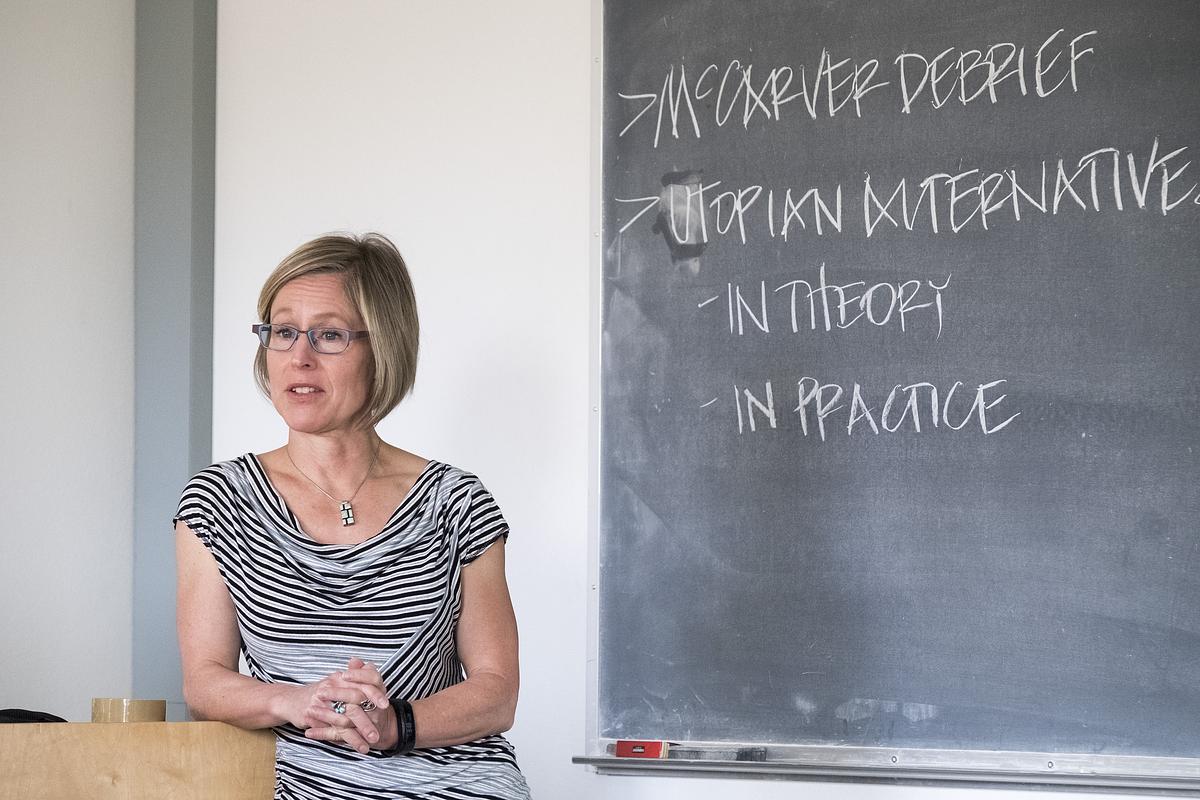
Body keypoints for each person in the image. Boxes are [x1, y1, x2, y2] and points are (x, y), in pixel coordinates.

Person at [174, 232, 531, 799]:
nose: (299, 356)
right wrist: (295, 699)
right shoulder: (217, 502)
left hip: (459, 785)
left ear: (382, 348)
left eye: (330, 335)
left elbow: (496, 692)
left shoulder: (456, 501)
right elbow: (204, 682)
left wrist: (395, 724)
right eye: (283, 330)